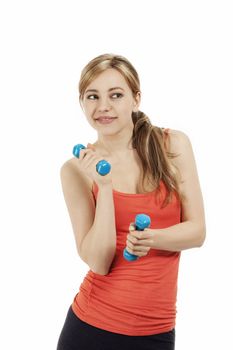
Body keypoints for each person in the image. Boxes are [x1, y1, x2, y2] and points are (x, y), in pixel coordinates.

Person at [56, 53, 206, 350]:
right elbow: (99, 262)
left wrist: (151, 238)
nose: (103, 107)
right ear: (81, 103)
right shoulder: (76, 169)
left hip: (157, 330)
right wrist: (105, 186)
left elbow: (197, 231)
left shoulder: (172, 145)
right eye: (93, 96)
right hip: (91, 328)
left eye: (116, 95)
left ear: (136, 99)